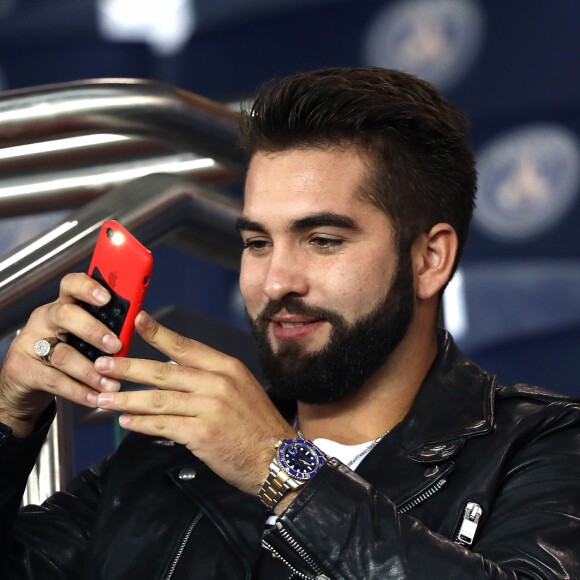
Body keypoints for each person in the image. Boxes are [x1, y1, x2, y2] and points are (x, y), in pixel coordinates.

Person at [1, 66, 579, 579]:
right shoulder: (168, 456)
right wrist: (9, 418)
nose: (276, 282)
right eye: (256, 242)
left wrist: (278, 468)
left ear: (430, 259)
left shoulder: (540, 447)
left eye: (322, 240)